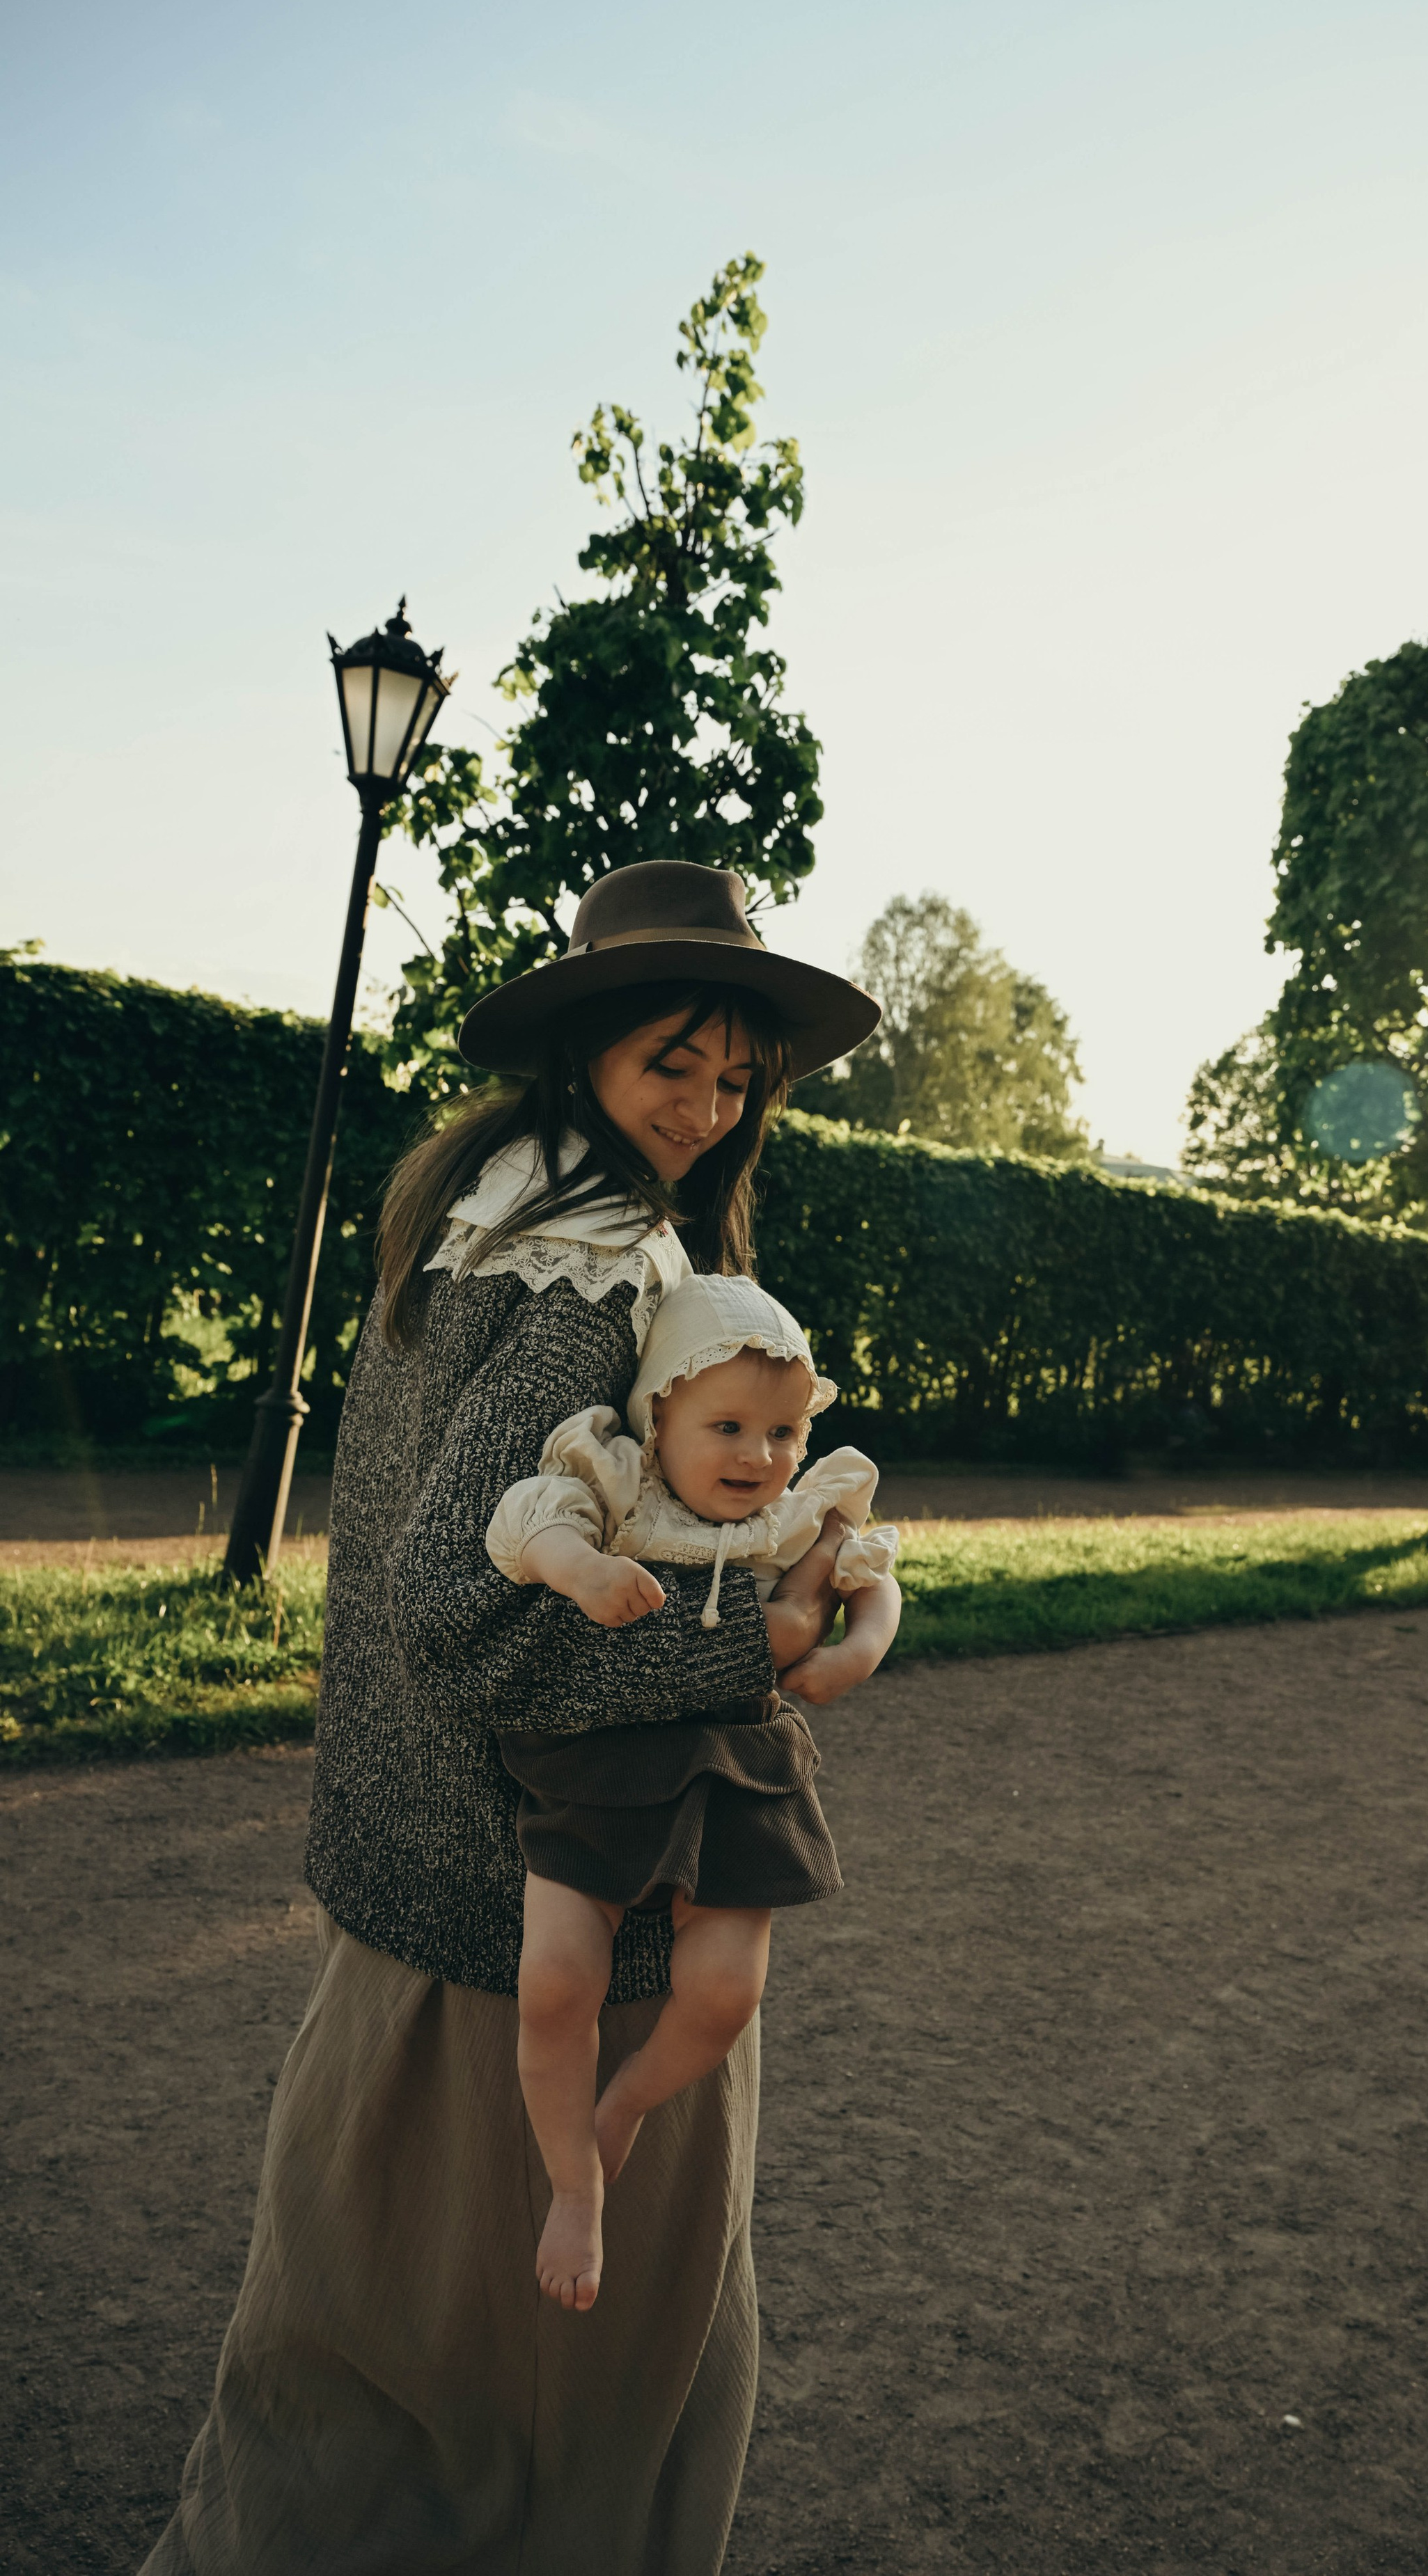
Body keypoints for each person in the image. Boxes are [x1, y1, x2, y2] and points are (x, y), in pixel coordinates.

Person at [143, 860, 884, 2576]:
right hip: (567, 1905)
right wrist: (747, 1655)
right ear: (584, 1063)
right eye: (668, 1069)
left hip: (419, 1884)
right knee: (583, 2413)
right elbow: (457, 1589)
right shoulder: (600, 1267)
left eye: (733, 1077)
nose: (705, 1109)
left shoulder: (470, 1198)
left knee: (343, 2388)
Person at [485, 1272, 903, 2312]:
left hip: (737, 1772)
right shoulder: (615, 1482)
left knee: (725, 1991)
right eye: (727, 1426)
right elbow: (524, 1524)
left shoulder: (798, 1515)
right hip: (603, 1767)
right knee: (554, 1984)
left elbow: (875, 1577)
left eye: (783, 1433)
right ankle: (572, 2185)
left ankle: (624, 2104)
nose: (759, 1457)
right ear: (658, 1415)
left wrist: (859, 1653)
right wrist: (579, 1570)